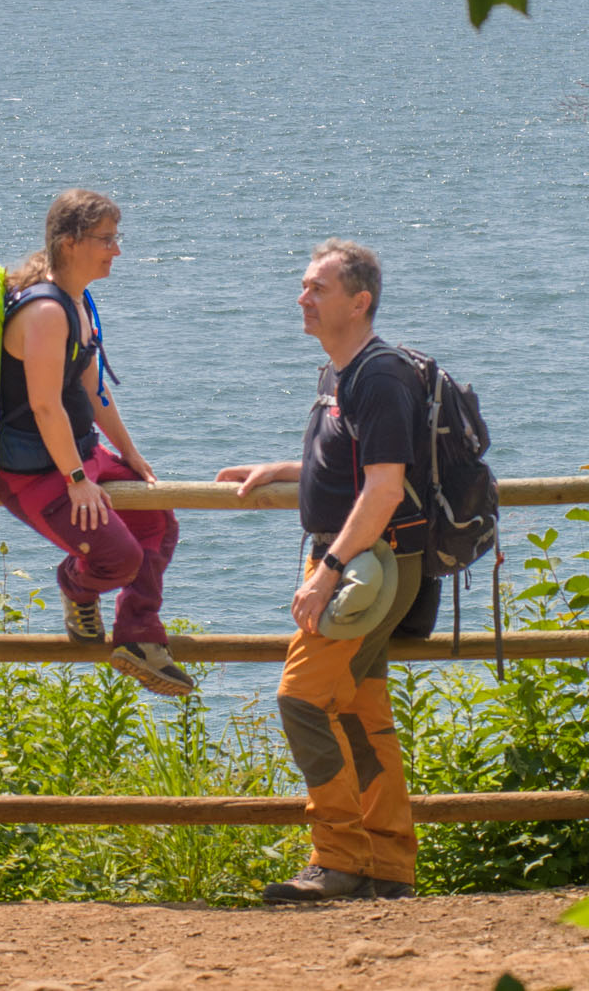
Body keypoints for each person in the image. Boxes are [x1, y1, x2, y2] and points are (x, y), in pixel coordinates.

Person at [217, 238, 438, 902]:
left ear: (359, 300)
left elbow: (385, 488)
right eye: (304, 284)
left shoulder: (379, 375)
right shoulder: (341, 372)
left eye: (318, 287)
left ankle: (339, 858)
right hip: (356, 558)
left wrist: (326, 570)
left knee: (302, 700)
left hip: (369, 564)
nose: (303, 296)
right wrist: (283, 471)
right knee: (360, 711)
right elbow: (353, 466)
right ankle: (389, 864)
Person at [0, 189, 194, 697]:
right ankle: (74, 586)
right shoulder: (45, 312)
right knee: (120, 559)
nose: (116, 251)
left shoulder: (78, 302)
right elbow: (44, 405)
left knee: (160, 522)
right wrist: (77, 480)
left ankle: (138, 637)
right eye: (106, 239)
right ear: (69, 242)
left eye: (115, 238)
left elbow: (92, 390)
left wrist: (129, 453)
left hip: (79, 456)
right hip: (37, 473)